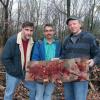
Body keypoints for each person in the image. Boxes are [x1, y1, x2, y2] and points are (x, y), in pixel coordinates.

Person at [61, 16, 100, 100]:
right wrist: (58, 60)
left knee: (79, 98)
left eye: (74, 23)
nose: (72, 26)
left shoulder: (89, 37)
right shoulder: (66, 40)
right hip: (68, 75)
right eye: (70, 25)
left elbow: (98, 53)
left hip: (81, 76)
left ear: (80, 24)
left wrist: (94, 60)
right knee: (68, 98)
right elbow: (63, 56)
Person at [2, 21, 36, 100]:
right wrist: (13, 71)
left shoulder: (33, 42)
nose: (29, 32)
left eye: (31, 30)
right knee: (9, 93)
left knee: (34, 89)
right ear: (22, 29)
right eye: (27, 30)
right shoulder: (12, 41)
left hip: (27, 72)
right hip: (14, 73)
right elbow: (5, 58)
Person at [31, 24, 62, 100]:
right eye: (46, 31)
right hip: (41, 72)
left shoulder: (58, 44)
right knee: (39, 95)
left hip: (53, 73)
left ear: (54, 32)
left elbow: (62, 57)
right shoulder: (39, 43)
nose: (49, 32)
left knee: (48, 94)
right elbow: (34, 58)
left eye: (50, 30)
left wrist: (59, 59)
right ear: (44, 33)